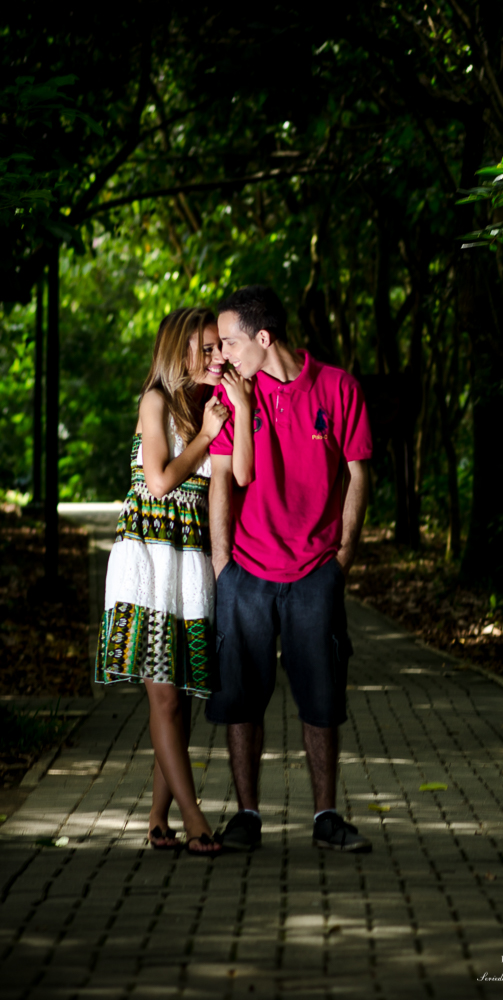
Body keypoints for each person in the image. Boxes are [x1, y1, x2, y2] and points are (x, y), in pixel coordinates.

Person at [206, 285, 373, 853]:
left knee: (322, 697)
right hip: (248, 571)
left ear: (263, 337)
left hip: (315, 570)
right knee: (241, 696)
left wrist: (342, 557)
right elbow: (224, 480)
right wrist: (222, 563)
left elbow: (358, 475)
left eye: (229, 341)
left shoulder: (337, 387)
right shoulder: (234, 399)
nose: (221, 354)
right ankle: (246, 816)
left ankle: (327, 816)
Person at [96, 306, 254, 856]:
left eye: (218, 348)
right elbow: (160, 482)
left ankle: (158, 816)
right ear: (178, 351)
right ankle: (193, 820)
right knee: (163, 698)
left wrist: (221, 568)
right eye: (205, 349)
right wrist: (207, 435)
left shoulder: (210, 407)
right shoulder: (156, 402)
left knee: (180, 699)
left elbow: (226, 488)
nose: (216, 358)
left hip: (189, 563)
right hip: (148, 563)